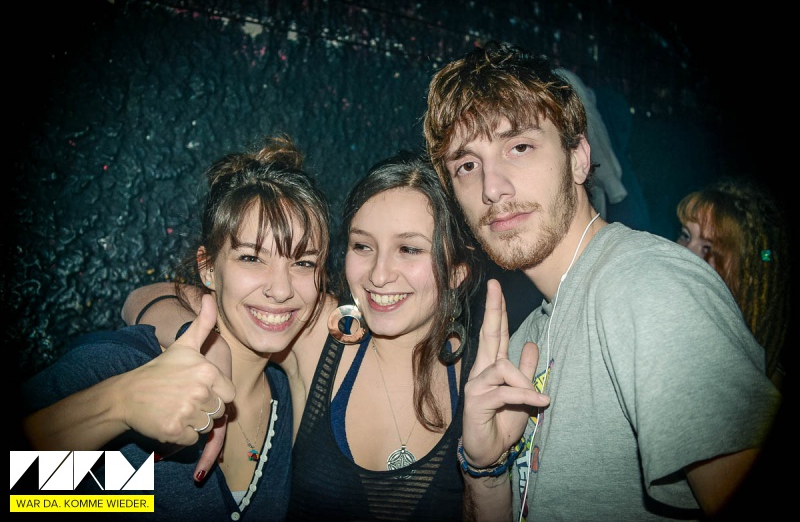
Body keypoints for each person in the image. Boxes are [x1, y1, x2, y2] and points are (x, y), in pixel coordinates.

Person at [422, 41, 782, 520]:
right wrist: (484, 468)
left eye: (519, 147)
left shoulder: (650, 288)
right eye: (467, 165)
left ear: (578, 157)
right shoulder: (524, 339)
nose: (492, 187)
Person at [122, 152, 483, 520]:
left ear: (457, 269)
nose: (379, 274)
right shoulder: (322, 329)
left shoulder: (483, 376)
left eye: (408, 249)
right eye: (362, 246)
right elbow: (147, 297)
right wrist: (203, 343)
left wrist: (487, 470)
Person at [20, 134, 331, 521]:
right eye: (252, 258)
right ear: (208, 268)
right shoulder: (127, 363)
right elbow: (25, 489)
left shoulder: (288, 402)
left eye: (303, 263)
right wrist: (118, 405)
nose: (281, 289)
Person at [676, 176, 790, 389]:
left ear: (749, 270)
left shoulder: (764, 385)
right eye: (686, 235)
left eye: (709, 248)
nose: (686, 253)